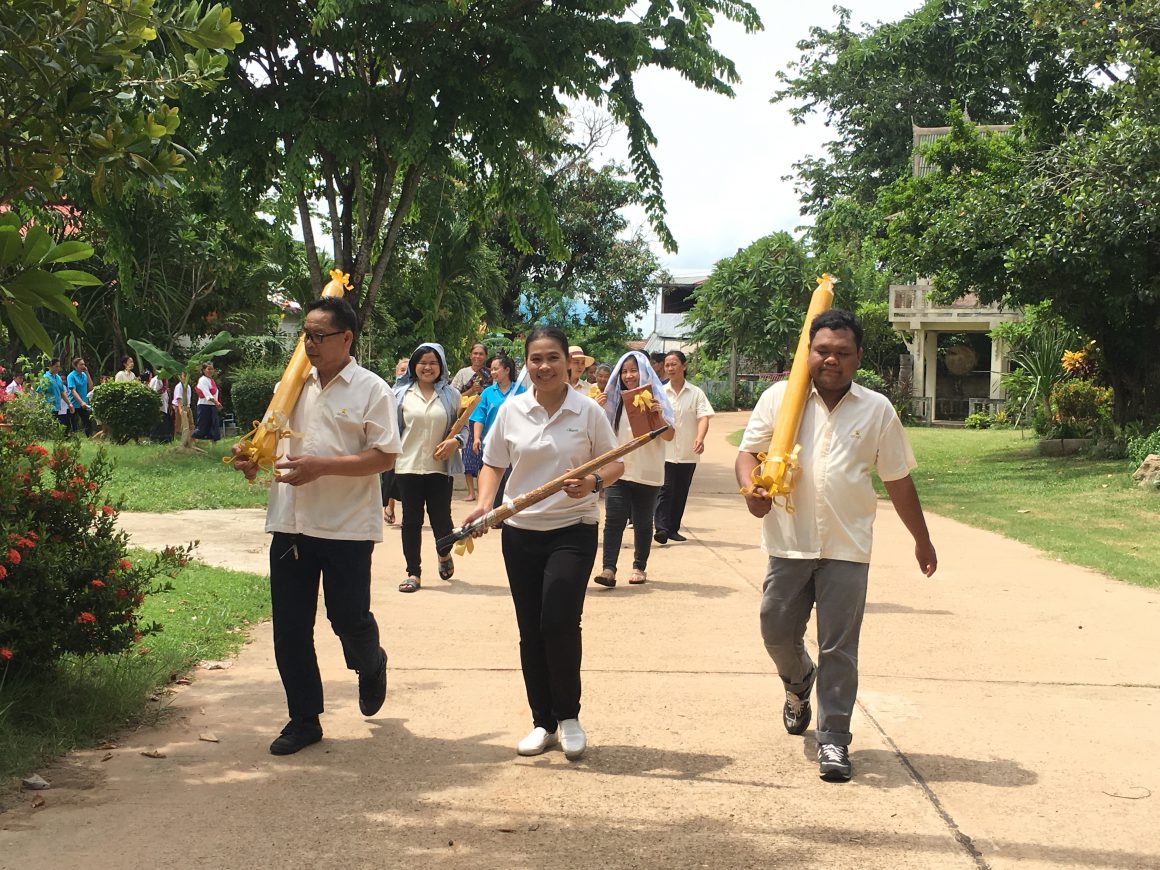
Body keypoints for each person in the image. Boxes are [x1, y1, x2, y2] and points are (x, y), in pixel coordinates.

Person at [735, 309, 938, 783]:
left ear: (858, 358)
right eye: (823, 350)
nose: (831, 360)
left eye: (843, 353)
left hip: (848, 547)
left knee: (840, 648)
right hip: (788, 541)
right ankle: (798, 682)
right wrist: (751, 490)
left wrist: (922, 539)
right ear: (808, 352)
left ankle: (834, 740)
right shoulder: (780, 400)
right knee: (775, 630)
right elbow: (748, 452)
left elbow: (898, 479)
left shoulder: (877, 409)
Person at [230, 296, 401, 756]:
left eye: (320, 335)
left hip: (345, 527)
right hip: (290, 522)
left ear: (347, 338)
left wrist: (322, 466)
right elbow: (268, 445)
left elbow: (384, 456)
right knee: (289, 628)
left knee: (347, 618)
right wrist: (252, 461)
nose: (310, 343)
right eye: (306, 335)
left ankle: (371, 661)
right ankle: (304, 719)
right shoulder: (291, 387)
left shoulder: (371, 389)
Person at [462, 326, 624, 761]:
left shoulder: (587, 411)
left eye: (553, 357)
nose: (544, 366)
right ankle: (542, 722)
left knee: (558, 621)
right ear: (526, 362)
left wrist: (591, 481)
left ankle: (568, 717)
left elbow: (615, 464)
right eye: (536, 359)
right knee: (530, 628)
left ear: (568, 363)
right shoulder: (512, 410)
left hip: (573, 528)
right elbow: (494, 462)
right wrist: (484, 504)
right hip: (520, 531)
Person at [592, 351, 674, 587]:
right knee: (614, 520)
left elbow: (669, 436)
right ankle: (608, 569)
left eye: (633, 370)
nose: (629, 376)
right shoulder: (613, 403)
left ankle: (639, 566)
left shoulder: (657, 399)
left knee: (642, 521)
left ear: (645, 372)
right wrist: (596, 408)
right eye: (625, 371)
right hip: (619, 470)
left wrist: (659, 416)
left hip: (648, 472)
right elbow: (600, 433)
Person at [392, 344, 465, 593]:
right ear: (413, 365)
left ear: (441, 366)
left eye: (433, 362)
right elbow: (391, 429)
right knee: (411, 521)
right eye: (422, 362)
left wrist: (456, 442)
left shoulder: (452, 395)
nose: (427, 367)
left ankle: (444, 554)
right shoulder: (400, 395)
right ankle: (413, 572)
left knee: (441, 520)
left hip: (439, 469)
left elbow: (462, 426)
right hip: (407, 465)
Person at [653, 351, 715, 544]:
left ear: (684, 366)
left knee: (681, 491)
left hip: (688, 452)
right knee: (665, 489)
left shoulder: (696, 393)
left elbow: (703, 416)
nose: (670, 368)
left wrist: (700, 437)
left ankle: (673, 529)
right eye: (667, 365)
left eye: (674, 364)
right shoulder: (660, 393)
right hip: (665, 450)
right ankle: (661, 528)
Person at [468, 355, 521, 507]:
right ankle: (495, 514)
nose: (492, 372)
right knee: (493, 477)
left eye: (496, 369)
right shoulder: (487, 393)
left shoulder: (521, 391)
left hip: (515, 442)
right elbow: (480, 417)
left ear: (507, 370)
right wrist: (477, 438)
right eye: (491, 369)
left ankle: (510, 511)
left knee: (512, 478)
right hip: (492, 442)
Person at [451, 343, 490, 501]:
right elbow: (454, 395)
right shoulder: (462, 373)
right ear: (470, 355)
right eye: (475, 353)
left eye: (481, 354)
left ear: (485, 356)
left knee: (484, 456)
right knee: (468, 455)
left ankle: (482, 491)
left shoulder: (490, 374)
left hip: (485, 418)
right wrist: (471, 391)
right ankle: (470, 492)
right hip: (467, 417)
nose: (478, 356)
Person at [381, 358, 408, 525]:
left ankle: (408, 513)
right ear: (396, 371)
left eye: (407, 370)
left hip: (408, 442)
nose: (404, 373)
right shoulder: (388, 392)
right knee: (390, 477)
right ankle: (389, 507)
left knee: (406, 481)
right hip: (391, 441)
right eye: (401, 370)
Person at [193, 362, 223, 442]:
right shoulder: (203, 380)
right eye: (208, 369)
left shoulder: (211, 380)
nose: (210, 371)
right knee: (202, 428)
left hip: (212, 406)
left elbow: (215, 394)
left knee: (214, 427)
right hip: (204, 406)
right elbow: (207, 394)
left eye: (212, 369)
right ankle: (191, 440)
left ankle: (213, 445)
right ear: (203, 370)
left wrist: (216, 404)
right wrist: (216, 402)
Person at [66, 357, 94, 435]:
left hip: (84, 404)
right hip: (74, 404)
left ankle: (89, 438)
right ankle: (72, 438)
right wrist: (81, 402)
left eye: (84, 364)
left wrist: (87, 373)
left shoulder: (84, 375)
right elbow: (73, 390)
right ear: (75, 366)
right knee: (73, 424)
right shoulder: (71, 376)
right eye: (81, 364)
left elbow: (91, 387)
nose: (83, 366)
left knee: (88, 423)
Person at [43, 359, 71, 428]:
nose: (58, 368)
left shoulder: (58, 377)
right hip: (48, 407)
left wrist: (69, 403)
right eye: (56, 366)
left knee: (57, 426)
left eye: (59, 366)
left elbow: (62, 392)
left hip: (57, 407)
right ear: (50, 366)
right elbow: (40, 393)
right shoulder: (45, 377)